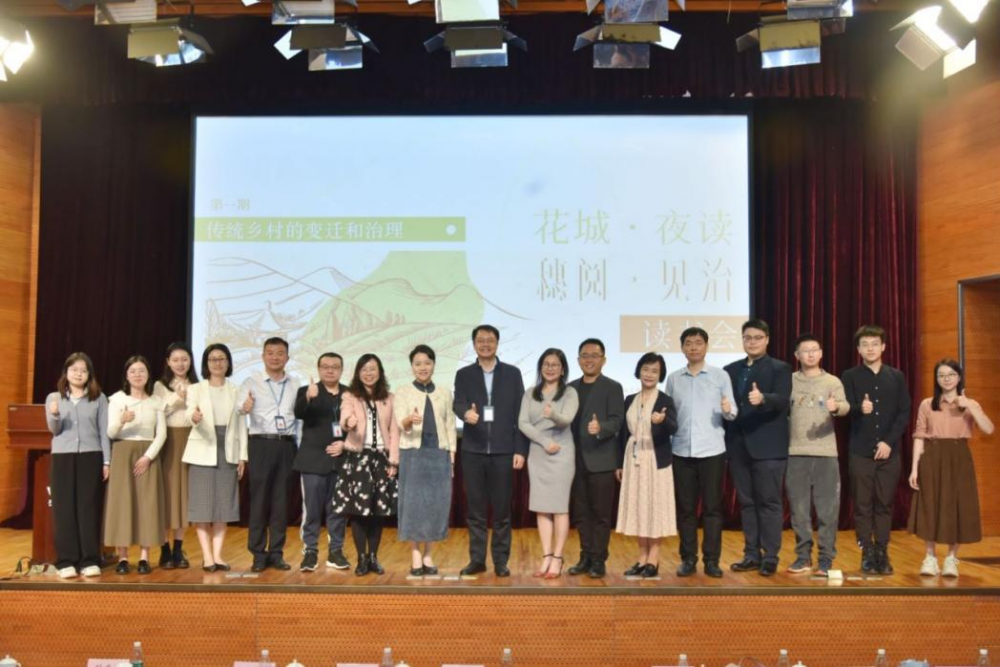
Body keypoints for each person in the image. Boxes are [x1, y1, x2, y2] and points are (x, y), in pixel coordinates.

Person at [452, 325, 528, 578]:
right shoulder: (464, 374)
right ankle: (477, 560)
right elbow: (458, 402)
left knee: (502, 511)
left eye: (490, 340)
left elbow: (520, 414)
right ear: (474, 344)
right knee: (475, 511)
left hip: (504, 452)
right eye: (480, 340)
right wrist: (465, 413)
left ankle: (500, 561)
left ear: (497, 343)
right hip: (473, 451)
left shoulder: (512, 374)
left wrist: (520, 449)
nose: (485, 344)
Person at [908, 359, 994, 577]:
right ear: (937, 379)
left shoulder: (969, 404)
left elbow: (989, 429)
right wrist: (914, 469)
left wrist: (970, 406)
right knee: (930, 504)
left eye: (951, 374)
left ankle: (951, 559)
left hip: (959, 457)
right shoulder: (927, 404)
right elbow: (919, 436)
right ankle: (930, 558)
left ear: (958, 377)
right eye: (941, 375)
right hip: (932, 456)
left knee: (958, 505)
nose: (946, 379)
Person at [666, 327, 737, 578]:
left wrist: (727, 409)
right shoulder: (674, 378)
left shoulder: (720, 376)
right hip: (681, 450)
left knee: (712, 509)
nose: (693, 347)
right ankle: (688, 559)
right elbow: (669, 416)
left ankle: (712, 560)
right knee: (685, 510)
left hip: (712, 451)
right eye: (688, 343)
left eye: (698, 342)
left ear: (706, 346)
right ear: (682, 348)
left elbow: (732, 412)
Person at [723, 319, 792, 577]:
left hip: (768, 447)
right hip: (738, 445)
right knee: (747, 503)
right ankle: (751, 554)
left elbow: (783, 400)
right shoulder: (730, 370)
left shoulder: (780, 368)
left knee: (769, 502)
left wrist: (763, 398)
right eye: (747, 337)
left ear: (767, 340)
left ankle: (770, 556)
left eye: (757, 337)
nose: (752, 342)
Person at [842, 324, 911, 575]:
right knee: (862, 504)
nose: (870, 349)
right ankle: (866, 552)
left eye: (874, 344)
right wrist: (859, 408)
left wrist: (888, 442)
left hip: (888, 452)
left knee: (884, 503)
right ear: (858, 349)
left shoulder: (896, 376)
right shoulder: (850, 376)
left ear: (883, 347)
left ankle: (882, 550)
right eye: (865, 345)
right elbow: (844, 407)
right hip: (860, 450)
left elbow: (904, 412)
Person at [786, 333, 849, 576]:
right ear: (797, 355)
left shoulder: (832, 381)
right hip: (795, 452)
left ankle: (825, 559)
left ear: (821, 353)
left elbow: (845, 406)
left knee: (827, 511)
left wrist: (836, 407)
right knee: (799, 510)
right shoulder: (789, 380)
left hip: (825, 454)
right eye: (805, 350)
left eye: (814, 349)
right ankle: (803, 558)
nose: (810, 354)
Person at [237, 337, 300, 573]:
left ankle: (276, 553)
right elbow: (239, 407)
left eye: (280, 353)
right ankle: (258, 554)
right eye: (270, 353)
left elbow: (300, 420)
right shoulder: (251, 382)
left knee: (281, 503)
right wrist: (244, 407)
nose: (275, 357)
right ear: (263, 356)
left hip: (286, 446)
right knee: (259, 502)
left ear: (287, 357)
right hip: (260, 444)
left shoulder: (295, 384)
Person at [333, 353, 400, 576]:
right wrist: (348, 422)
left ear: (379, 372)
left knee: (378, 513)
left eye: (373, 369)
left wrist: (394, 460)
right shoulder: (350, 396)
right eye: (364, 369)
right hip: (357, 460)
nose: (369, 373)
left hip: (381, 459)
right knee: (359, 512)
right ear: (358, 373)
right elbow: (345, 417)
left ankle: (373, 557)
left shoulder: (389, 398)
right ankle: (361, 558)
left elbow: (394, 431)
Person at [393, 345, 457, 576]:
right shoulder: (403, 391)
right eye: (418, 363)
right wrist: (409, 420)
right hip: (413, 453)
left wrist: (451, 456)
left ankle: (429, 554)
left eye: (427, 363)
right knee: (413, 505)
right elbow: (400, 423)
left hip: (439, 454)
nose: (423, 367)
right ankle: (415, 555)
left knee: (435, 505)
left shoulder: (444, 392)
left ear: (434, 365)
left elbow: (450, 424)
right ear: (412, 366)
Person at [182, 343, 247, 572]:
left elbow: (241, 425)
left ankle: (218, 555)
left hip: (228, 451)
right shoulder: (196, 389)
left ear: (228, 363)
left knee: (223, 506)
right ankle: (207, 556)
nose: (217, 363)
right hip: (202, 449)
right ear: (206, 364)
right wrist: (194, 416)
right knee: (202, 507)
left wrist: (242, 456)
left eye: (221, 359)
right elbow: (188, 411)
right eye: (213, 359)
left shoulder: (236, 390)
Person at [46, 352, 110, 579]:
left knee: (88, 508)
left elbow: (104, 432)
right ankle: (66, 561)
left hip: (91, 456)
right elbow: (54, 430)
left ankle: (90, 560)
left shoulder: (99, 398)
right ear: (66, 372)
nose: (78, 374)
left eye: (83, 370)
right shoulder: (54, 398)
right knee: (64, 509)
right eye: (74, 370)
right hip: (63, 457)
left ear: (89, 374)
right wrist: (55, 415)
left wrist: (106, 461)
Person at [517, 348, 579, 579]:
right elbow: (523, 423)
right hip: (538, 452)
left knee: (560, 507)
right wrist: (544, 441)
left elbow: (567, 419)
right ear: (540, 367)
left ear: (563, 369)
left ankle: (558, 558)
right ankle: (546, 556)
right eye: (546, 364)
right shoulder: (530, 393)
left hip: (562, 452)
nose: (550, 368)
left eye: (555, 365)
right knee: (542, 507)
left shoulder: (569, 393)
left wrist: (552, 414)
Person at [615, 352, 678, 578]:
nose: (649, 374)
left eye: (654, 371)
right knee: (638, 507)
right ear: (638, 371)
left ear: (660, 375)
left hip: (656, 459)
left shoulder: (665, 400)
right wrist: (619, 464)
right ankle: (642, 557)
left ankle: (654, 558)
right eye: (646, 369)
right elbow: (623, 433)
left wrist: (663, 421)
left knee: (655, 507)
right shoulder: (629, 399)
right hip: (633, 459)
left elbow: (674, 427)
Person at [567, 338, 625, 579]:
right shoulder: (569, 388)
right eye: (585, 355)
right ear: (578, 359)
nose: (589, 360)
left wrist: (601, 427)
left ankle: (599, 559)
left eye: (594, 355)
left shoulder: (613, 387)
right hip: (574, 460)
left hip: (602, 460)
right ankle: (586, 556)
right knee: (581, 513)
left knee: (601, 514)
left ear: (604, 360)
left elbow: (617, 420)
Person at [105, 355, 167, 575]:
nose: (137, 375)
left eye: (142, 370)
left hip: (148, 456)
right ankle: (123, 557)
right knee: (123, 503)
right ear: (126, 375)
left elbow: (161, 434)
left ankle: (144, 557)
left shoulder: (156, 401)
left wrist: (148, 457)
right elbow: (111, 433)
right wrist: (121, 420)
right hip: (123, 454)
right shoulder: (117, 399)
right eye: (133, 371)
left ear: (148, 374)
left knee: (146, 504)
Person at [293, 352, 350, 572]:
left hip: (340, 460)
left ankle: (336, 551)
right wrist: (308, 397)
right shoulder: (307, 391)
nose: (330, 370)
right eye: (325, 366)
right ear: (318, 369)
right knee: (312, 510)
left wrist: (344, 444)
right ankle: (310, 551)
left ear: (341, 369)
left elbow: (356, 425)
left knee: (338, 510)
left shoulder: (349, 394)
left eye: (335, 366)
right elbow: (298, 412)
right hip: (312, 461)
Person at [152, 342, 199, 570]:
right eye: (176, 360)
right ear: (168, 362)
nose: (181, 364)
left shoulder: (197, 385)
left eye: (185, 359)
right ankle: (164, 550)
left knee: (183, 497)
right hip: (167, 442)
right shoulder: (160, 386)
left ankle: (179, 549)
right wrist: (177, 397)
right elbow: (158, 411)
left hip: (190, 441)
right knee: (166, 497)